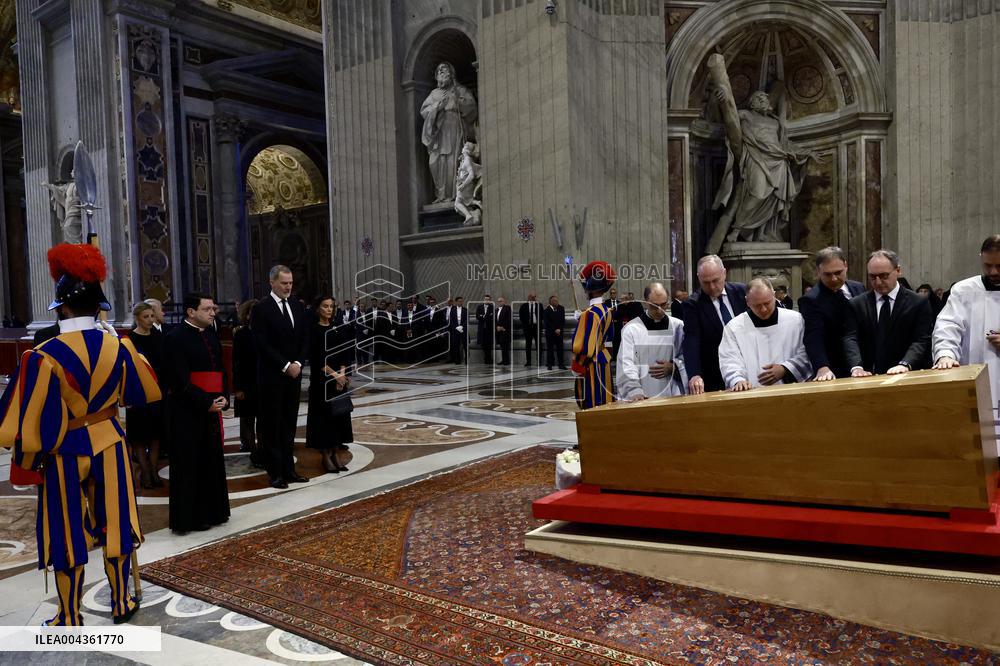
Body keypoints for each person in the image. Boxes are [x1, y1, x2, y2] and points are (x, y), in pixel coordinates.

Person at [0, 243, 160, 626]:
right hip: (109, 441)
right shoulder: (120, 346)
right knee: (118, 522)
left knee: (66, 529)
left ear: (64, 308)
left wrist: (24, 461)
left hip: (64, 451)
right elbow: (145, 392)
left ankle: (69, 615)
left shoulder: (42, 355)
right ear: (99, 308)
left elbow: (21, 422)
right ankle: (121, 602)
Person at [163, 293, 230, 533]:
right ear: (191, 312)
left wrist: (224, 397)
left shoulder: (211, 334)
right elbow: (179, 380)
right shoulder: (175, 338)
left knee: (211, 460)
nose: (213, 312)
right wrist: (205, 403)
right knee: (191, 463)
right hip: (187, 411)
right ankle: (192, 518)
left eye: (213, 308)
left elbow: (220, 369)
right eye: (207, 309)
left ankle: (215, 511)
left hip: (211, 406)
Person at [932, 236, 1000, 454]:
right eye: (988, 265)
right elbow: (947, 326)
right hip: (976, 373)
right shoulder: (964, 290)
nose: (993, 272)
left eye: (999, 266)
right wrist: (945, 354)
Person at [252, 265, 309, 489]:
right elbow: (261, 344)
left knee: (289, 424)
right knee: (271, 426)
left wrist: (297, 363)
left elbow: (304, 338)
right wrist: (285, 365)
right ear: (272, 283)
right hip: (271, 377)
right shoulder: (261, 308)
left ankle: (289, 469)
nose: (288, 287)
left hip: (293, 376)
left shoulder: (296, 305)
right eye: (284, 283)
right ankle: (275, 473)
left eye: (290, 283)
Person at [843, 250, 933, 376]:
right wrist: (856, 367)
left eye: (884, 275)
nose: (878, 282)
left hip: (908, 375)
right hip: (868, 376)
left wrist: (905, 364)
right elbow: (851, 338)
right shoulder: (857, 304)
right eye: (873, 277)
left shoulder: (918, 302)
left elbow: (921, 339)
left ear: (898, 270)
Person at [719, 278, 811, 391]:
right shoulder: (734, 328)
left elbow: (807, 351)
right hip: (752, 394)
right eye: (757, 305)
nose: (763, 309)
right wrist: (738, 380)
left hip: (791, 392)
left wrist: (785, 369)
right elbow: (729, 359)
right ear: (747, 301)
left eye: (767, 303)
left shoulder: (795, 320)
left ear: (774, 295)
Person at [682, 255, 748, 394]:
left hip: (750, 365)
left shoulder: (743, 292)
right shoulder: (693, 304)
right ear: (698, 278)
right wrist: (695, 374)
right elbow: (691, 340)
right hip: (715, 374)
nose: (711, 287)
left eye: (715, 280)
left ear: (724, 273)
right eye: (705, 282)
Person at [798, 246, 866, 381]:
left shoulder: (858, 288)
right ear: (818, 271)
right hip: (836, 367)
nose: (834, 278)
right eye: (828, 274)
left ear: (846, 266)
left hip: (865, 362)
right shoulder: (811, 300)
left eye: (838, 272)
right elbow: (813, 336)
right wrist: (822, 366)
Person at [306, 295, 354, 472]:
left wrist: (342, 374)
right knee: (323, 419)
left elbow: (344, 353)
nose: (329, 309)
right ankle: (325, 455)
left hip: (338, 380)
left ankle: (335, 452)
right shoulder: (313, 330)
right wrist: (335, 375)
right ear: (318, 308)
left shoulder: (337, 328)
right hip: (322, 381)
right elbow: (317, 358)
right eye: (325, 306)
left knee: (338, 418)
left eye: (331, 307)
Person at [617, 282, 687, 401]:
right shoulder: (632, 329)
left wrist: (674, 367)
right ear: (646, 302)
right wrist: (634, 391)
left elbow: (688, 357)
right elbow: (626, 364)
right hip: (642, 394)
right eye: (654, 306)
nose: (660, 310)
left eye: (664, 305)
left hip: (674, 394)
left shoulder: (679, 326)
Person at [420, 62, 478, 203]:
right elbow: (424, 111)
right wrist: (436, 107)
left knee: (452, 161)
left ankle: (453, 196)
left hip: (454, 131)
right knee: (435, 163)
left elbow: (472, 110)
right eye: (439, 70)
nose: (441, 72)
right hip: (438, 134)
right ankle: (440, 195)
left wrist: (458, 101)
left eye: (444, 70)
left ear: (451, 74)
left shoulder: (460, 90)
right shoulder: (434, 94)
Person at [126, 302, 165, 489]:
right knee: (139, 435)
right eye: (146, 317)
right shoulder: (130, 340)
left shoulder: (158, 336)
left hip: (158, 392)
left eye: (151, 316)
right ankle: (145, 471)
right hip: (138, 393)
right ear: (137, 318)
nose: (150, 320)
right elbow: (126, 369)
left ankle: (154, 469)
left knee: (156, 434)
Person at [572, 261, 617, 409]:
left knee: (592, 402)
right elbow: (608, 338)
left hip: (591, 364)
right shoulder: (607, 310)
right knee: (606, 399)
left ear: (589, 290)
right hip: (604, 359)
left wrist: (577, 365)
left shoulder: (589, 313)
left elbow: (586, 346)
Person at [232, 299, 261, 466]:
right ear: (247, 314)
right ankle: (253, 452)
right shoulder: (241, 334)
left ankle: (263, 450)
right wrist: (238, 387)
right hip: (247, 383)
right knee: (248, 420)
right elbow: (236, 362)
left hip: (263, 382)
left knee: (263, 420)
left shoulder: (266, 331)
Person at [544, 295, 567, 370]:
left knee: (560, 349)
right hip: (550, 332)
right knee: (550, 349)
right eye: (555, 301)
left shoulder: (561, 308)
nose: (557, 302)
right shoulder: (547, 310)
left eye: (557, 300)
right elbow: (547, 322)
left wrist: (559, 329)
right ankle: (550, 364)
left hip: (559, 332)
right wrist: (555, 329)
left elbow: (562, 320)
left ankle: (561, 364)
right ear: (551, 302)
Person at [519, 293, 542, 367]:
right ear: (528, 297)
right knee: (528, 345)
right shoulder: (524, 306)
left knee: (538, 344)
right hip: (528, 328)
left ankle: (539, 361)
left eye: (534, 297)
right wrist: (525, 325)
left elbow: (542, 315)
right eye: (531, 297)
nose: (532, 298)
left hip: (536, 327)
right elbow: (521, 316)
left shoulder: (539, 305)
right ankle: (528, 361)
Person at [476, 294, 495, 364]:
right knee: (483, 344)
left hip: (489, 329)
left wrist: (483, 316)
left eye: (488, 299)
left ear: (490, 300)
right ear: (483, 300)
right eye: (485, 299)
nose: (486, 300)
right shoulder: (479, 307)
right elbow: (477, 316)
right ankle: (486, 358)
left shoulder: (492, 307)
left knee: (489, 344)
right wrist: (485, 316)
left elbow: (491, 317)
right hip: (482, 329)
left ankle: (488, 358)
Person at [449, 296, 468, 363]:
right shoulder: (452, 310)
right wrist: (456, 327)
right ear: (456, 302)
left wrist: (462, 326)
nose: (461, 302)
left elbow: (467, 319)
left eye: (462, 301)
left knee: (465, 345)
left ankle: (466, 360)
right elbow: (451, 320)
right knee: (456, 345)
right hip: (455, 330)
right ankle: (457, 360)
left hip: (463, 330)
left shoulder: (465, 310)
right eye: (459, 301)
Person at [495, 296, 512, 366]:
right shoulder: (496, 309)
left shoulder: (507, 308)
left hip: (505, 330)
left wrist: (503, 327)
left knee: (505, 346)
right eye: (498, 301)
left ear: (504, 302)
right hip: (498, 330)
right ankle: (503, 360)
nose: (500, 302)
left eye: (501, 301)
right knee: (502, 345)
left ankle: (506, 361)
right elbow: (495, 319)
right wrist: (497, 326)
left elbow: (509, 319)